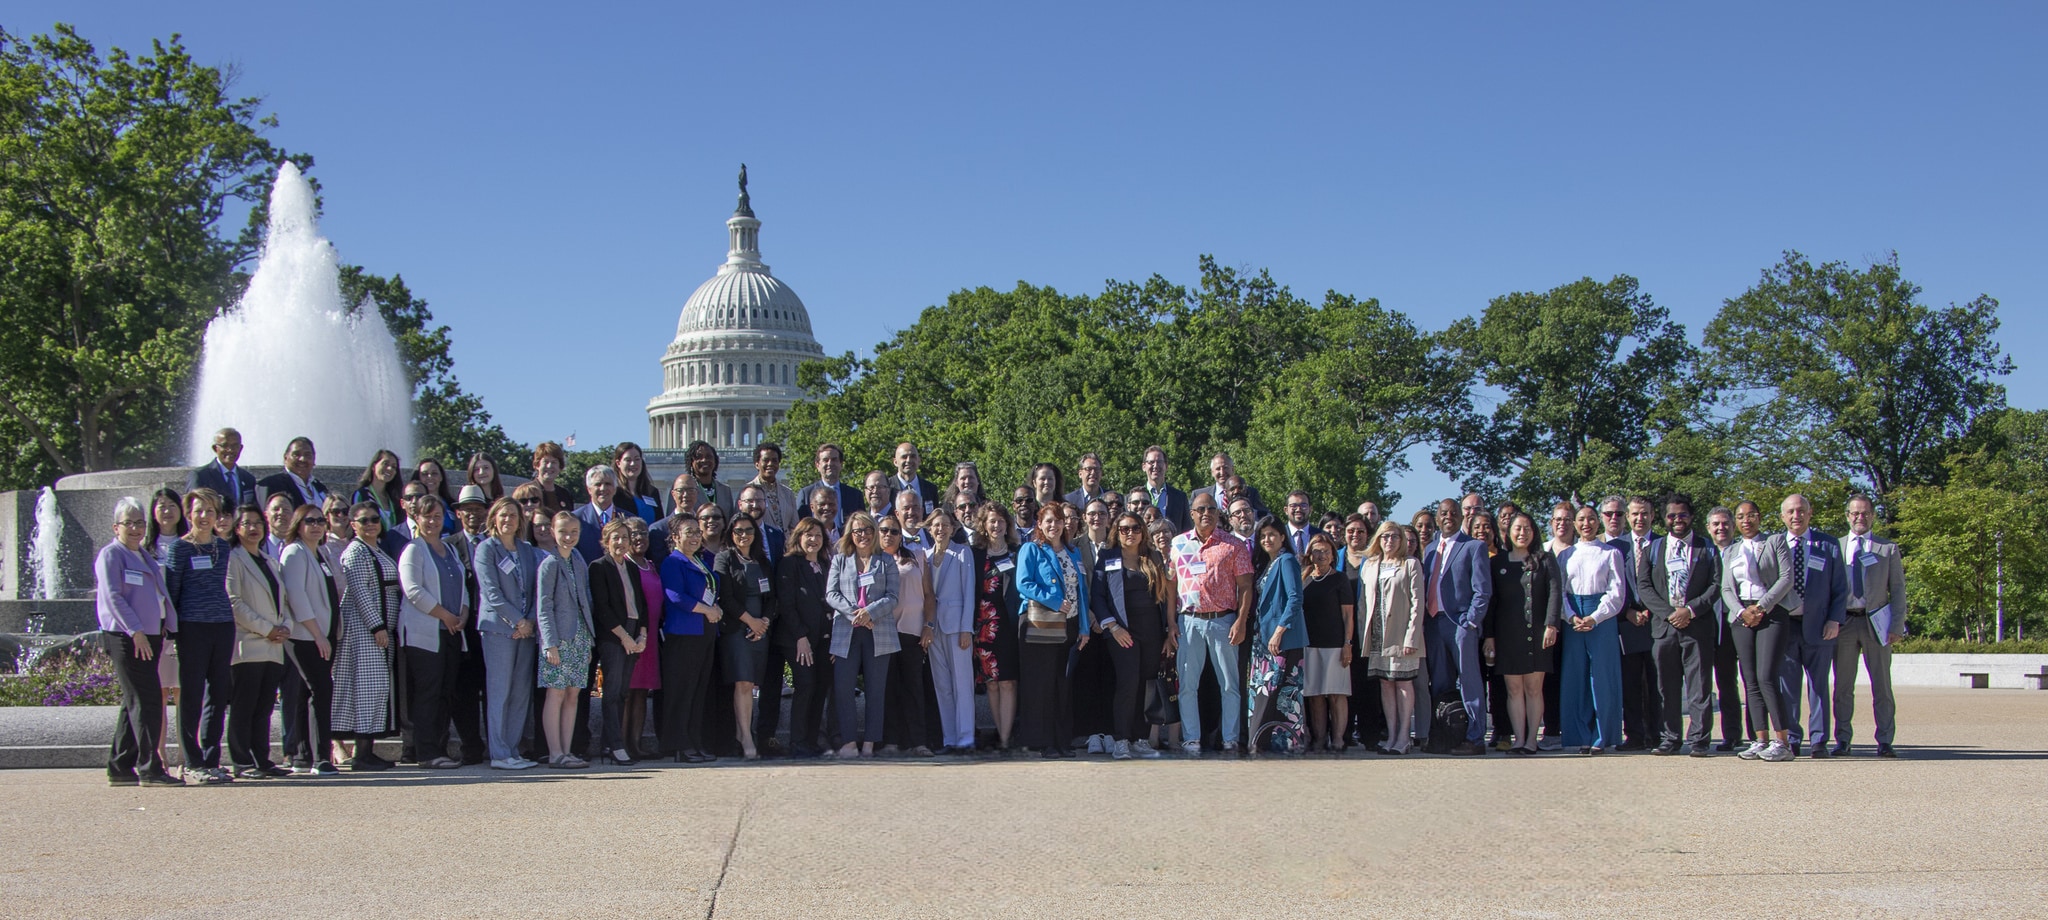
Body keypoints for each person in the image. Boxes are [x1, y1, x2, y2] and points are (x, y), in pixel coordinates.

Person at [97, 498, 183, 786]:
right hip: (128, 637)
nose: (135, 528)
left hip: (151, 634)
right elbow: (113, 597)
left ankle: (120, 765)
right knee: (146, 700)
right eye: (128, 523)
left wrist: (170, 625)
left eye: (139, 523)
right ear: (116, 527)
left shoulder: (143, 555)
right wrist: (135, 631)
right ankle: (150, 768)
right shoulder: (112, 555)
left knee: (132, 701)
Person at [1634, 494, 1722, 756]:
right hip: (1664, 627)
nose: (1677, 520)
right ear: (1664, 518)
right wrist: (1670, 613)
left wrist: (1690, 610)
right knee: (1666, 688)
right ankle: (1670, 738)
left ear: (1691, 516)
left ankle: (1699, 740)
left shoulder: (1707, 548)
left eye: (1682, 515)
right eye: (1672, 516)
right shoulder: (1654, 549)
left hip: (1698, 626)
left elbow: (1716, 585)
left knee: (1699, 687)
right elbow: (1644, 587)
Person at [1169, 492, 1255, 756]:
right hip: (1188, 622)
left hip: (1223, 621)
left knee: (1229, 684)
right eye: (1200, 509)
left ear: (1218, 514)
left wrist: (1241, 621)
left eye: (1211, 509)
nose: (1206, 513)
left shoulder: (1233, 545)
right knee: (1187, 684)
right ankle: (1191, 738)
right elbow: (1171, 585)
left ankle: (1230, 738)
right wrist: (1171, 622)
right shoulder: (1178, 544)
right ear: (1192, 513)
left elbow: (1246, 586)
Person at [165, 488, 235, 784]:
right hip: (192, 626)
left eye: (210, 511)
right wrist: (173, 631)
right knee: (191, 694)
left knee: (219, 694)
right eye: (198, 510)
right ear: (188, 513)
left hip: (222, 623)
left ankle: (210, 758)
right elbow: (172, 591)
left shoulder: (223, 547)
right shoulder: (179, 549)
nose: (204, 516)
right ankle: (191, 762)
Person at [1773, 493, 1849, 758]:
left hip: (1819, 627)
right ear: (1782, 516)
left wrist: (1834, 620)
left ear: (1810, 512)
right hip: (1785, 626)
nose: (1796, 516)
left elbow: (1840, 588)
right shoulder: (1775, 544)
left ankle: (1819, 740)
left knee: (1818, 686)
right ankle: (1792, 738)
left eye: (1801, 510)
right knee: (1788, 686)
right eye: (1791, 511)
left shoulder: (1827, 545)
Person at [1721, 500, 1797, 762]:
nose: (1746, 521)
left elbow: (1786, 578)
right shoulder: (1731, 551)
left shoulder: (1775, 542)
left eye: (1751, 515)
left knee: (1767, 676)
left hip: (1771, 613)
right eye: (1740, 517)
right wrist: (1743, 612)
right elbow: (1727, 588)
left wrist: (1761, 607)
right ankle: (1759, 739)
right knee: (1750, 679)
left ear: (1759, 517)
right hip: (1742, 616)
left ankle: (1782, 741)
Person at [397, 497, 469, 770]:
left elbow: (462, 587)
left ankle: (440, 748)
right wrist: (444, 614)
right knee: (427, 692)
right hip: (425, 634)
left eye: (437, 516)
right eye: (427, 516)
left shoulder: (449, 551)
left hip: (451, 632)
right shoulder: (414, 550)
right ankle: (426, 752)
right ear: (417, 518)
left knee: (445, 692)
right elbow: (413, 590)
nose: (433, 521)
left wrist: (462, 613)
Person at [1833, 495, 1906, 757]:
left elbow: (1898, 590)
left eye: (1864, 513)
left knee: (1882, 686)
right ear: (1847, 516)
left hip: (1877, 623)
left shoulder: (1887, 549)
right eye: (1854, 513)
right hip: (1845, 624)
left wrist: (1897, 624)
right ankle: (1843, 739)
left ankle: (1885, 739)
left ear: (1873, 516)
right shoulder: (1836, 547)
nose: (1859, 517)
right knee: (1842, 686)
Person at [1013, 503, 1086, 758]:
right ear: (1040, 525)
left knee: (1063, 684)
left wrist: (1085, 627)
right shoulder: (1031, 549)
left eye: (1058, 520)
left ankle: (1062, 740)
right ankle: (1044, 743)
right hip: (1040, 625)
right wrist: (1054, 601)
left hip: (1070, 625)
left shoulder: (1073, 552)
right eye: (1048, 521)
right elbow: (1023, 583)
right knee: (1041, 685)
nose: (1053, 525)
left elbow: (1081, 592)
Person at [1420, 498, 1492, 755]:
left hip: (1459, 624)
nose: (1448, 516)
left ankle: (1475, 738)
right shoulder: (1429, 550)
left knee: (1470, 682)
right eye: (1443, 513)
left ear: (1462, 517)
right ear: (1437, 518)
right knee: (1440, 684)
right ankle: (1446, 736)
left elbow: (1482, 590)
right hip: (1433, 625)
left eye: (1453, 513)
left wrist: (1470, 621)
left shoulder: (1473, 547)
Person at [223, 505, 290, 779]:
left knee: (263, 707)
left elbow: (281, 600)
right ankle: (241, 760)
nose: (254, 528)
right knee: (244, 705)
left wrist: (284, 627)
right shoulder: (233, 559)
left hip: (274, 646)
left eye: (257, 524)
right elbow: (233, 601)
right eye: (247, 523)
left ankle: (262, 759)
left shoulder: (270, 561)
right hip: (249, 643)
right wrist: (267, 629)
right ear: (237, 529)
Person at [1485, 513, 1561, 755]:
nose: (1522, 533)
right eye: (1517, 528)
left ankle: (1531, 740)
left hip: (1537, 632)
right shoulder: (1497, 563)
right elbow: (1491, 602)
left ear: (1534, 532)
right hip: (1507, 633)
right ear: (1508, 532)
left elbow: (1555, 594)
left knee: (1533, 688)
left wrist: (1551, 624)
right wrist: (1489, 636)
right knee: (1513, 689)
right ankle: (1518, 739)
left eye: (1527, 528)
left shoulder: (1545, 560)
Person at [473, 497, 538, 770]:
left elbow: (537, 588)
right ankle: (499, 753)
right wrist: (517, 621)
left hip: (526, 631)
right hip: (500, 630)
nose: (508, 520)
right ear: (494, 519)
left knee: (520, 692)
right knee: (499, 691)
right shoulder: (486, 549)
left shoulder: (526, 549)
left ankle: (512, 750)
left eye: (513, 515)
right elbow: (491, 593)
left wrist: (530, 621)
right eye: (503, 515)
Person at [827, 511, 899, 758]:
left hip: (878, 631)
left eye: (868, 530)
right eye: (858, 530)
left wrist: (869, 613)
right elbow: (831, 594)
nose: (863, 535)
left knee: (875, 690)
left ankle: (869, 742)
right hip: (846, 631)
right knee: (843, 688)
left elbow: (893, 596)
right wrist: (854, 614)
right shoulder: (840, 560)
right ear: (850, 534)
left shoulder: (886, 561)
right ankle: (848, 742)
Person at [333, 502, 399, 770]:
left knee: (376, 690)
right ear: (353, 525)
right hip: (366, 633)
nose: (370, 523)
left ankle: (367, 749)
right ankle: (361, 753)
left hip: (382, 631)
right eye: (363, 520)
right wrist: (376, 626)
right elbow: (360, 591)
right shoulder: (356, 552)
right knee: (367, 690)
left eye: (374, 518)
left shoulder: (376, 550)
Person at [279, 504, 343, 775]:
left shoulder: (321, 553)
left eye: (320, 520)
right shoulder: (294, 552)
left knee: (306, 692)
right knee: (320, 690)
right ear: (298, 524)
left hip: (324, 633)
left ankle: (303, 755)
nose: (316, 525)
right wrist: (318, 635)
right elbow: (296, 596)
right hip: (305, 635)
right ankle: (321, 757)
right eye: (309, 521)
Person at [1559, 504, 1627, 754]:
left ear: (1598, 522)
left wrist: (1596, 617)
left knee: (1602, 678)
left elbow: (1617, 592)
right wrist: (1571, 616)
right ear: (1575, 524)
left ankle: (1602, 736)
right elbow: (1561, 591)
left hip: (1601, 618)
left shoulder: (1610, 553)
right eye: (1581, 519)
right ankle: (1579, 736)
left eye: (1591, 519)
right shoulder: (1566, 555)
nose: (1586, 524)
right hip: (1574, 617)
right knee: (1576, 678)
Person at [659, 513, 724, 762]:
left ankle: (695, 742)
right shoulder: (673, 562)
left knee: (699, 691)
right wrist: (708, 610)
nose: (696, 536)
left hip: (705, 632)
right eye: (690, 532)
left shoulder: (699, 561)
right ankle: (679, 745)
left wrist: (715, 609)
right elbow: (676, 596)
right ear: (675, 537)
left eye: (698, 532)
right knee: (682, 691)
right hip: (684, 633)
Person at [1356, 522, 1425, 754]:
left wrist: (1411, 637)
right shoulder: (1371, 565)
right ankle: (1392, 735)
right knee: (1385, 684)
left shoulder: (1410, 564)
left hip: (1402, 636)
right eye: (1385, 536)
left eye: (1394, 536)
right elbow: (1363, 603)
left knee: (1404, 683)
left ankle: (1404, 736)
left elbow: (1418, 604)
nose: (1389, 541)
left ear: (1402, 540)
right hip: (1376, 636)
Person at [589, 518, 650, 765]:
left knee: (624, 692)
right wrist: (625, 637)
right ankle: (615, 745)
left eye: (624, 538)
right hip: (614, 635)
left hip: (634, 633)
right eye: (616, 538)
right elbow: (602, 608)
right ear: (606, 541)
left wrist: (642, 635)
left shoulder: (631, 566)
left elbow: (641, 604)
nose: (621, 542)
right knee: (612, 692)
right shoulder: (599, 567)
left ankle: (609, 743)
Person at [535, 511, 594, 769]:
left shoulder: (578, 560)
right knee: (556, 694)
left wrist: (590, 639)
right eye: (563, 532)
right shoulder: (549, 563)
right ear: (552, 532)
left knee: (573, 695)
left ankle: (567, 751)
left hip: (580, 637)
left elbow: (586, 600)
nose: (568, 537)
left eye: (573, 532)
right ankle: (555, 752)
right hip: (558, 639)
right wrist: (550, 643)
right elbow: (543, 607)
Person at [716, 513, 776, 759]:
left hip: (760, 631)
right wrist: (750, 621)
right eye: (738, 531)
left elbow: (773, 597)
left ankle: (744, 733)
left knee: (752, 683)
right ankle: (746, 738)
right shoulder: (724, 558)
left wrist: (764, 622)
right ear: (731, 533)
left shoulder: (762, 560)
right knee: (742, 682)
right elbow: (726, 596)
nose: (744, 535)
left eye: (748, 530)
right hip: (737, 629)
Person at [1247, 516, 1307, 753]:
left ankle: (1284, 743)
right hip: (1264, 641)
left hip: (1282, 640)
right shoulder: (1267, 564)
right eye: (1262, 536)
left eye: (1272, 534)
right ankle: (1262, 743)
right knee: (1264, 692)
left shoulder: (1287, 560)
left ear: (1283, 536)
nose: (1267, 539)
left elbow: (1295, 599)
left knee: (1280, 693)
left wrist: (1279, 632)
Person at [775, 518, 834, 757]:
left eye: (818, 535)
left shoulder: (825, 564)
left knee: (820, 687)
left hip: (824, 638)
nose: (813, 540)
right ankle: (797, 742)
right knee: (805, 684)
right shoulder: (790, 564)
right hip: (797, 638)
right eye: (808, 535)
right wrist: (800, 636)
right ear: (799, 537)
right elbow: (787, 603)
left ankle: (811, 740)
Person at [1607, 496, 1661, 751]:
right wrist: (1627, 611)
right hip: (1627, 621)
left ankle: (1660, 734)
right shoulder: (1616, 547)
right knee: (1630, 682)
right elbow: (1614, 584)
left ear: (1653, 515)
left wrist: (1654, 609)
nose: (1640, 518)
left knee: (1658, 681)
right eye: (1635, 514)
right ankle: (1635, 735)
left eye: (1645, 513)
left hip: (1659, 621)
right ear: (1628, 517)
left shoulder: (1663, 544)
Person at [878, 515, 934, 757]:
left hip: (912, 631)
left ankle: (918, 741)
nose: (888, 535)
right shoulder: (872, 559)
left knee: (914, 687)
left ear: (901, 535)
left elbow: (929, 594)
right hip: (883, 632)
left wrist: (929, 625)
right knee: (888, 688)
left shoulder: (917, 555)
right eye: (884, 531)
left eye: (893, 531)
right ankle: (890, 741)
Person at [922, 510, 977, 754]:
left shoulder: (963, 552)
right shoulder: (924, 556)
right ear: (929, 529)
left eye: (945, 525)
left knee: (962, 684)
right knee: (942, 685)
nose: (940, 529)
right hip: (934, 629)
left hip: (957, 628)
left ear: (952, 529)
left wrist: (967, 628)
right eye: (936, 526)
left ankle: (966, 738)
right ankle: (949, 739)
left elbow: (969, 592)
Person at [972, 502, 1023, 751]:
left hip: (1009, 625)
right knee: (991, 682)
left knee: (1008, 682)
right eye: (991, 521)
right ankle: (1000, 734)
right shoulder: (974, 554)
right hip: (983, 627)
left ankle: (1005, 738)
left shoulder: (1017, 551)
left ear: (1007, 525)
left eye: (1001, 521)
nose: (996, 525)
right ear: (984, 525)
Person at [1297, 532, 1352, 753]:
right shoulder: (1304, 578)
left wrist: (1347, 643)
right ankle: (1319, 739)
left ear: (1332, 555)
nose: (1321, 555)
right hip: (1309, 645)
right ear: (1310, 554)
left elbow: (1348, 615)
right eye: (1317, 551)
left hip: (1335, 645)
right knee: (1315, 695)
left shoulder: (1339, 579)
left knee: (1336, 694)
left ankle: (1337, 739)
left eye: (1326, 551)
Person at [1704, 506, 1747, 751]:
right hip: (1705, 624)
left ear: (1733, 526)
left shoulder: (1743, 551)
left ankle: (1734, 734)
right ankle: (1702, 733)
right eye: (1716, 524)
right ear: (1708, 527)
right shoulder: (1703, 552)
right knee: (1701, 683)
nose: (1721, 528)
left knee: (1729, 682)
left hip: (1734, 623)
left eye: (1725, 523)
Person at [573, 464, 634, 563]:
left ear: (615, 488)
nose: (603, 488)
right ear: (589, 489)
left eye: (608, 484)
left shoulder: (629, 519)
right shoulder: (576, 519)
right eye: (598, 484)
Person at [189, 428, 258, 515]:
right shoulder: (201, 475)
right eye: (225, 445)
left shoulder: (248, 478)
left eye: (235, 446)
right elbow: (192, 508)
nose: (230, 450)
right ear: (215, 448)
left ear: (240, 448)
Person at [797, 443, 862, 530]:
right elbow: (799, 526)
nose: (830, 463)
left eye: (834, 459)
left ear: (841, 463)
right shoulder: (806, 494)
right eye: (825, 460)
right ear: (817, 465)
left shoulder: (855, 495)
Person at [256, 437, 330, 511]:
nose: (302, 459)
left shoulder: (319, 487)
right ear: (285, 458)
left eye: (307, 455)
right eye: (296, 454)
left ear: (314, 460)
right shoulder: (271, 485)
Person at [748, 442, 800, 533]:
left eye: (774, 460)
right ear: (757, 464)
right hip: (761, 544)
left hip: (785, 545)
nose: (770, 464)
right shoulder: (747, 492)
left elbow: (794, 526)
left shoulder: (788, 493)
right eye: (766, 460)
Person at [350, 449, 405, 532]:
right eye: (385, 464)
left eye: (394, 467)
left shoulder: (394, 498)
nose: (390, 468)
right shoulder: (362, 495)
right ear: (373, 466)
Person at [1139, 445, 1190, 532]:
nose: (1155, 466)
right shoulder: (1135, 497)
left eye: (1159, 462)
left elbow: (1187, 529)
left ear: (1166, 466)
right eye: (1151, 462)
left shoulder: (1180, 497)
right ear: (1144, 467)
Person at [615, 442, 664, 522]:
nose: (633, 463)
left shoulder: (652, 492)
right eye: (628, 460)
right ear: (618, 463)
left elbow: (660, 522)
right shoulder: (614, 493)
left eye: (637, 459)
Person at [683, 440, 735, 516]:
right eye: (699, 457)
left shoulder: (725, 490)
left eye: (709, 456)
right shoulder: (683, 490)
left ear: (715, 461)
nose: (704, 460)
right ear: (691, 462)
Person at [411, 458, 460, 535]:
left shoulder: (451, 505)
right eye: (424, 474)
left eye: (434, 473)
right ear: (419, 478)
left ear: (441, 477)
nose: (430, 477)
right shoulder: (414, 505)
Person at [892, 441, 941, 515]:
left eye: (913, 456)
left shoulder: (931, 489)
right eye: (904, 457)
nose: (908, 460)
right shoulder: (887, 488)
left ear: (919, 461)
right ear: (895, 462)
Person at [146, 487, 187, 562]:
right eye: (162, 507)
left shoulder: (191, 543)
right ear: (153, 513)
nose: (167, 511)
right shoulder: (144, 546)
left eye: (172, 506)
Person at [530, 442, 573, 514]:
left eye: (554, 462)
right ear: (537, 465)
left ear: (560, 466)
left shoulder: (565, 494)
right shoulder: (527, 491)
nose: (549, 466)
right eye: (546, 462)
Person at [1282, 492, 1319, 557]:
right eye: (1293, 506)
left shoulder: (1322, 535)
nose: (1298, 509)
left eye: (1303, 505)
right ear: (1286, 510)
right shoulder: (1279, 535)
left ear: (1310, 509)